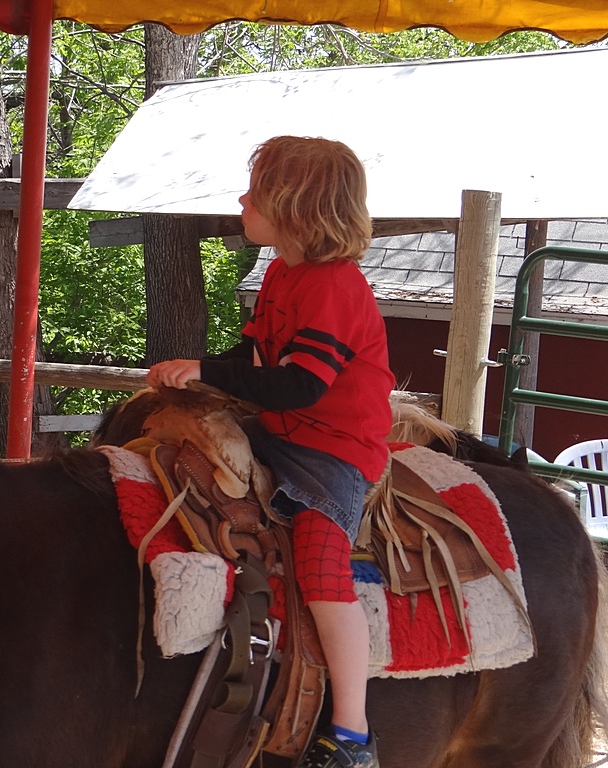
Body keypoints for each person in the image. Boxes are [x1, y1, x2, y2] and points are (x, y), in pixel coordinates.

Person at [146, 136, 393, 768]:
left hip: (332, 449)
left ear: (295, 207)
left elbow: (302, 382)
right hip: (281, 428)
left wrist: (207, 369)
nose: (242, 200)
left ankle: (352, 733)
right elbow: (256, 359)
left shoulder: (334, 287)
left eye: (254, 193)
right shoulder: (283, 272)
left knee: (319, 566)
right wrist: (194, 372)